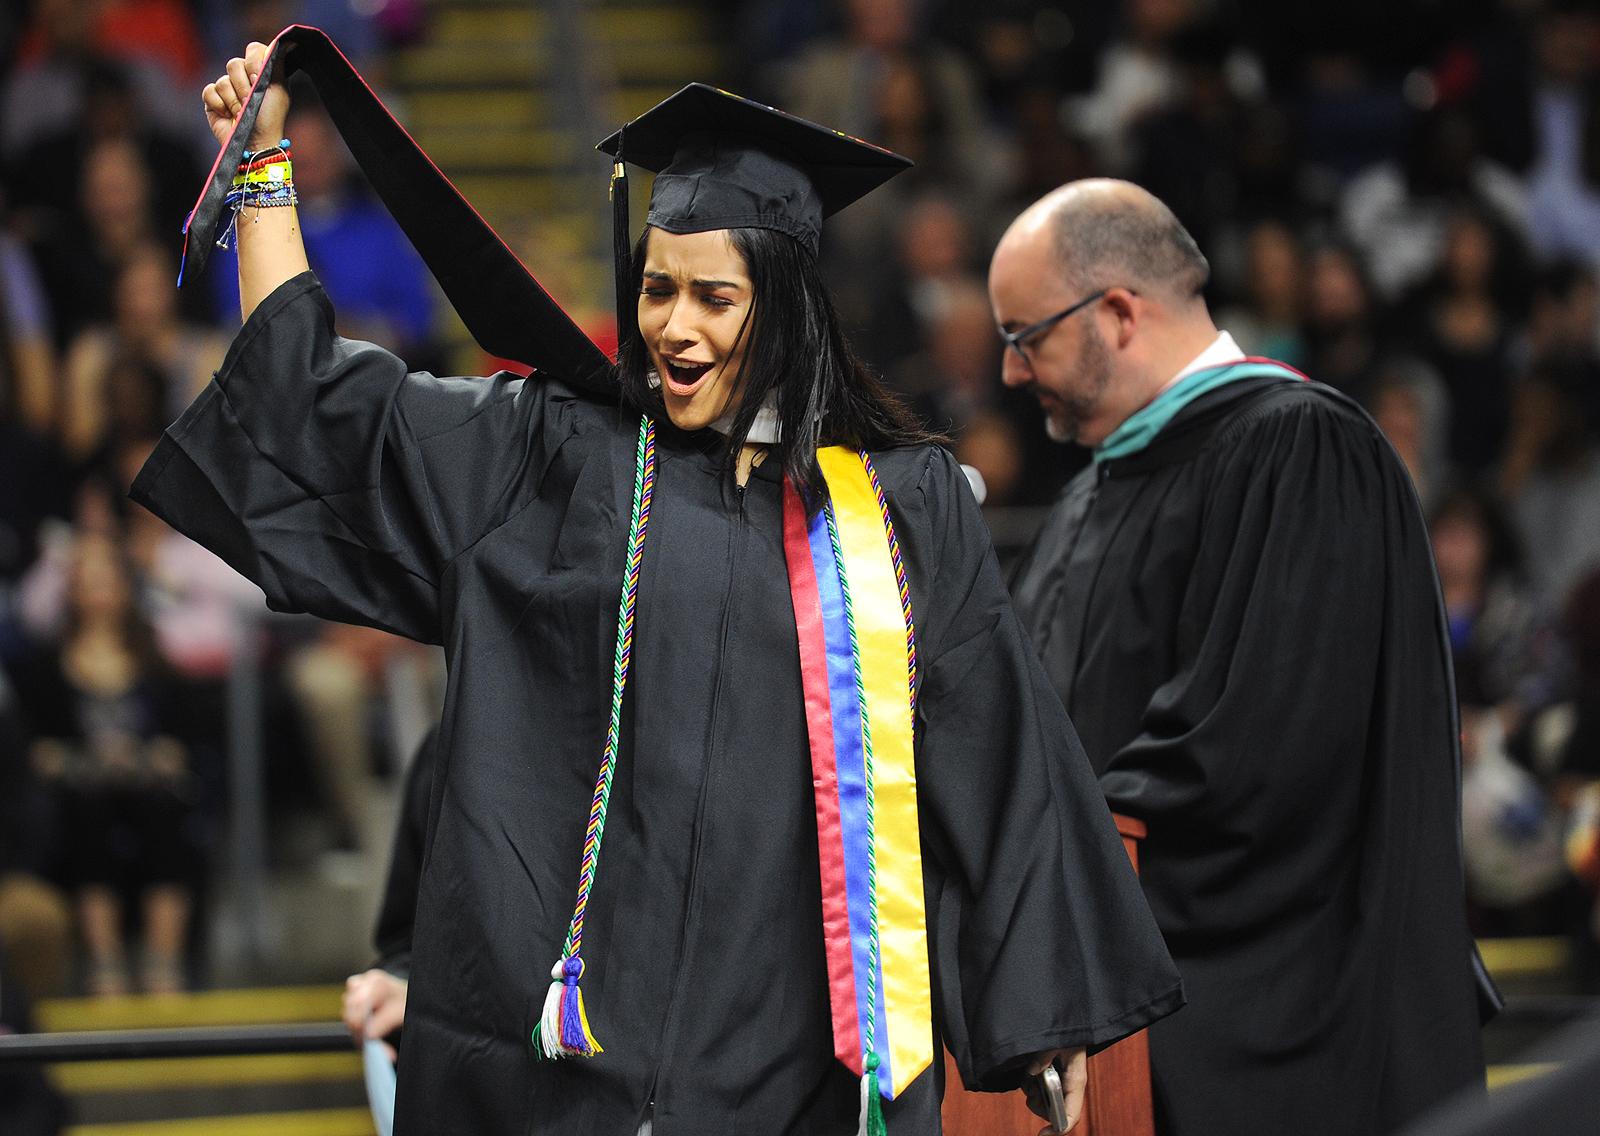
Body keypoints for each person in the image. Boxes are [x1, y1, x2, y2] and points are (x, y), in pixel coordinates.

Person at [132, 35, 1182, 1135]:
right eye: (657, 289)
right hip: (559, 1064)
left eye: (714, 299)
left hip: (792, 1066)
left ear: (780, 307)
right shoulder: (554, 458)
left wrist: (1051, 1009)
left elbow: (997, 742)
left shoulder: (893, 507)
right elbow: (323, 410)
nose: (675, 327)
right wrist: (261, 173)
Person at [989, 179, 1496, 1136]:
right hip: (1106, 1023)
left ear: (1118, 313)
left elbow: (1259, 752)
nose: (1013, 375)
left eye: (1025, 337)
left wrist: (1057, 862)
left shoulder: (1303, 453)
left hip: (1279, 1030)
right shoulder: (1082, 507)